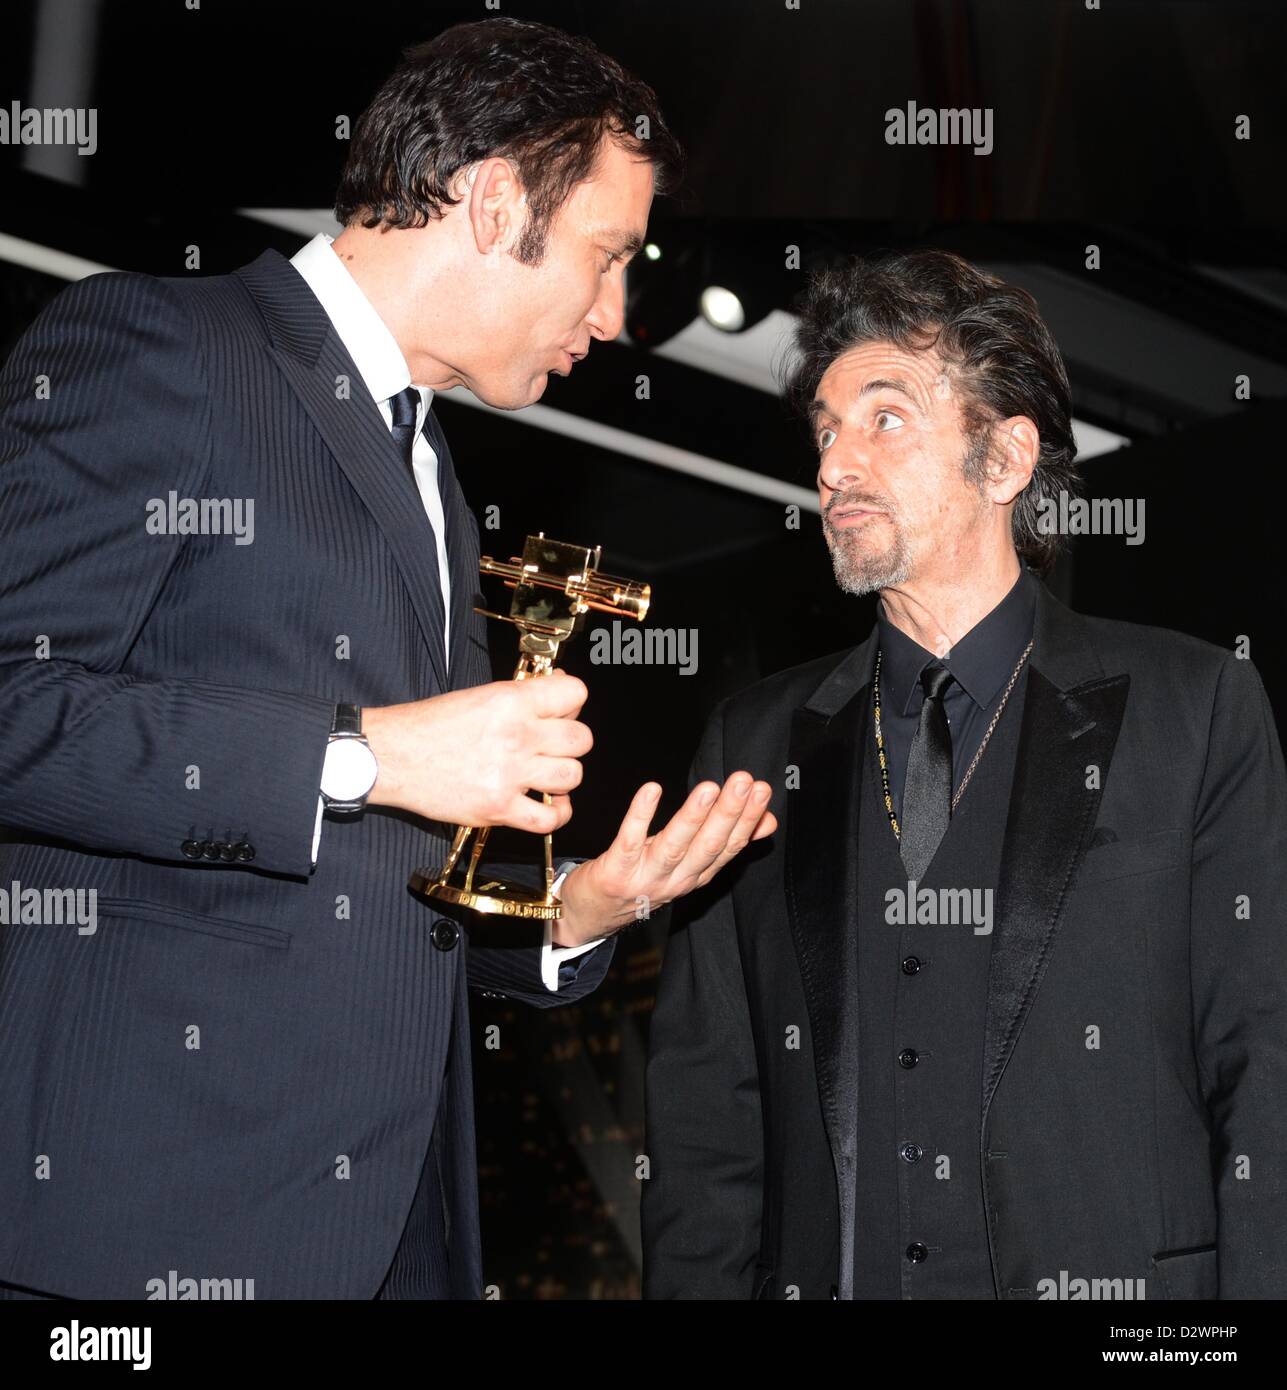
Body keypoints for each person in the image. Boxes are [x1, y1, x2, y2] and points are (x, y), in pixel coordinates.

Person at [0, 17, 774, 1300]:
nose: (616, 310)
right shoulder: (159, 345)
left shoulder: (434, 472)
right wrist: (368, 752)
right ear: (486, 198)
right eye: (606, 254)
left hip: (379, 1245)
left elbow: (367, 884)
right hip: (137, 1238)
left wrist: (565, 913)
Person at [641, 249, 1287, 1301]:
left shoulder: (1197, 709)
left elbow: (1265, 1073)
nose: (835, 466)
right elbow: (710, 1115)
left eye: (883, 418)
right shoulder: (753, 741)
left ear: (1006, 456)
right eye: (825, 431)